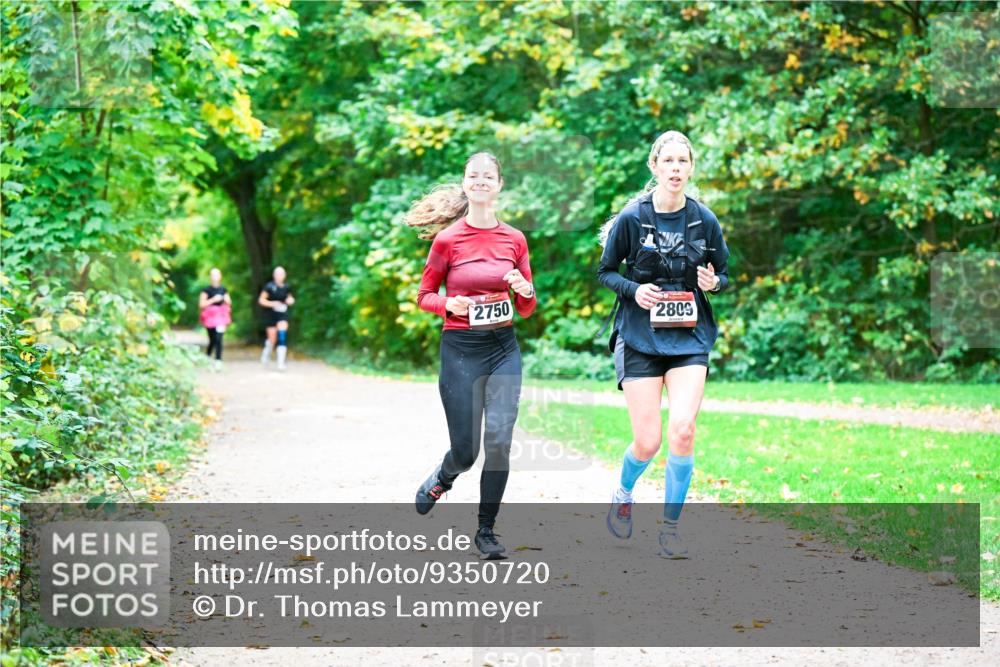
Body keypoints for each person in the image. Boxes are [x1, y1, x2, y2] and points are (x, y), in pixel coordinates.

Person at [597, 130, 730, 558]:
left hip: (689, 337)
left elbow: (723, 274)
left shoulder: (704, 219)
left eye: (682, 161)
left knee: (684, 430)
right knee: (649, 441)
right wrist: (634, 291)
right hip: (639, 337)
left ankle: (670, 528)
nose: (675, 169)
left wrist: (714, 282)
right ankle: (623, 491)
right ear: (654, 166)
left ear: (691, 168)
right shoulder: (632, 218)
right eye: (667, 161)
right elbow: (605, 272)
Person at [408, 152, 537, 560]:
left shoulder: (514, 239)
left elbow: (528, 306)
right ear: (465, 184)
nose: (481, 181)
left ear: (499, 185)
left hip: (503, 349)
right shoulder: (448, 240)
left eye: (488, 176)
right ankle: (444, 476)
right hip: (461, 351)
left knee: (498, 441)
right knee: (467, 452)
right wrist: (449, 305)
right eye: (473, 175)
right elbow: (424, 295)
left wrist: (524, 289)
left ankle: (486, 530)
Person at [258, 266, 295, 371]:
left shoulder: (287, 287)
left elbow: (290, 297)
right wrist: (272, 303)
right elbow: (261, 300)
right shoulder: (269, 287)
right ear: (274, 275)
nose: (280, 276)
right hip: (270, 315)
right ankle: (266, 354)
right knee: (272, 339)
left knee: (282, 336)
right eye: (278, 274)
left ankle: (281, 362)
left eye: (281, 274)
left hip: (282, 314)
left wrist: (290, 301)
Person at [198, 268, 232, 372]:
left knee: (219, 338)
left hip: (221, 317)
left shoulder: (223, 289)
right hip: (210, 317)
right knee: (212, 339)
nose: (215, 277)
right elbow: (201, 304)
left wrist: (225, 300)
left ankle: (218, 360)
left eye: (217, 275)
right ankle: (208, 355)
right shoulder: (206, 290)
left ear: (220, 276)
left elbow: (229, 302)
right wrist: (213, 300)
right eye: (213, 275)